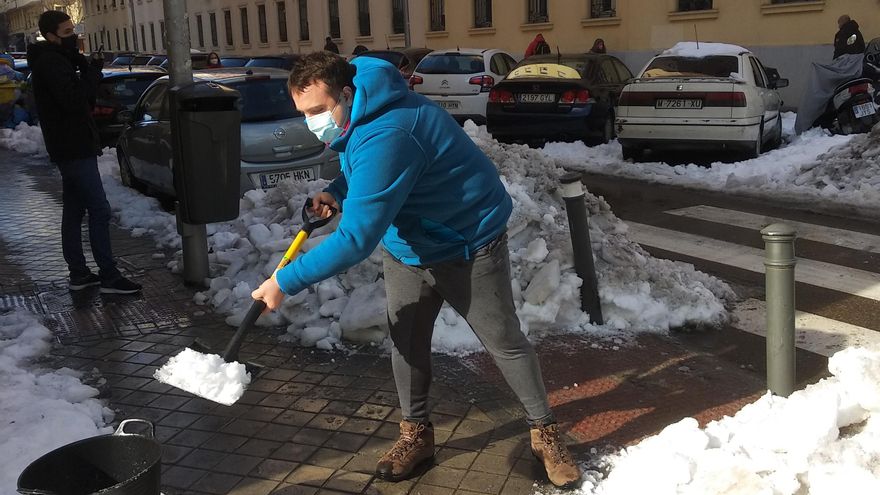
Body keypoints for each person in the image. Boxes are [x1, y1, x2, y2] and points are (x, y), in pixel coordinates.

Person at [250, 51, 581, 487]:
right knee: (406, 341)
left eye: (316, 110)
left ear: (346, 93)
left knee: (503, 340)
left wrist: (283, 282)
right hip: (409, 246)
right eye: (303, 112)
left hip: (468, 243)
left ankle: (546, 433)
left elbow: (355, 239)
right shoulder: (364, 110)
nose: (312, 122)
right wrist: (337, 189)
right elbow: (368, 167)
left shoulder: (392, 130)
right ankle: (416, 434)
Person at [27, 11, 141, 294]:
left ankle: (79, 273)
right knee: (99, 210)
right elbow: (74, 100)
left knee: (75, 210)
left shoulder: (55, 59)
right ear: (50, 36)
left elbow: (80, 96)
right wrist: (91, 71)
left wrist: (81, 63)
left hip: (71, 146)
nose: (73, 37)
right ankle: (109, 276)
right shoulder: (50, 63)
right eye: (67, 33)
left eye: (73, 30)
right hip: (73, 147)